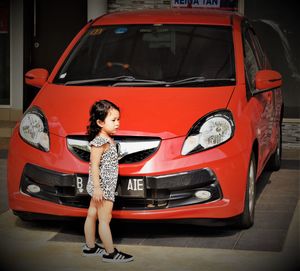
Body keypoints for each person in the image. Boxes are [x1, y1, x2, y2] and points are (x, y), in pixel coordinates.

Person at [82, 99, 134, 263]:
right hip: (103, 187)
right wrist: (98, 188)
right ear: (99, 122)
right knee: (105, 219)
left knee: (92, 214)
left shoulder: (108, 139)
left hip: (102, 185)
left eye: (118, 119)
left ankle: (90, 247)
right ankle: (110, 253)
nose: (117, 123)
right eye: (113, 120)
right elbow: (94, 166)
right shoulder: (100, 142)